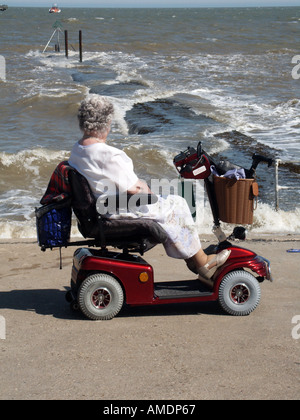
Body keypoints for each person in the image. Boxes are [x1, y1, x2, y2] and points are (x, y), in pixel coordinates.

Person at [68, 96, 230, 282]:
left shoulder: (78, 149)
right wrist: (148, 192)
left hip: (103, 208)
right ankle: (203, 263)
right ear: (107, 123)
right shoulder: (108, 155)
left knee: (169, 202)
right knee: (178, 203)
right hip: (117, 210)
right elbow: (134, 189)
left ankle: (193, 259)